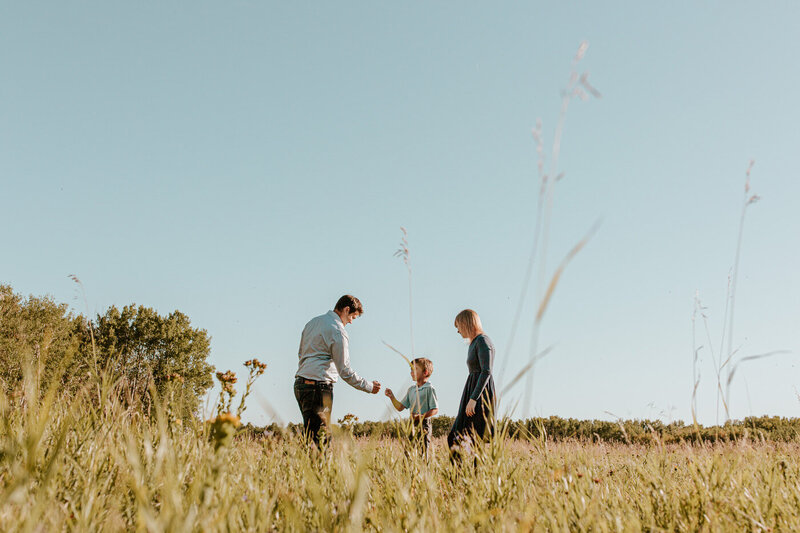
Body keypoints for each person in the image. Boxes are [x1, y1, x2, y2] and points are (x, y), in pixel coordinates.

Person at [294, 295, 381, 446]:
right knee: (321, 439)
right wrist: (369, 386)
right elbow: (345, 371)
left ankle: (306, 468)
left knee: (311, 436)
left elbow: (301, 354)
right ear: (346, 310)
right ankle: (318, 470)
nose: (351, 321)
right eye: (353, 316)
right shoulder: (338, 331)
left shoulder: (312, 323)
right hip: (318, 387)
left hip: (300, 384)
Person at [448, 309, 495, 461]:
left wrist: (474, 398)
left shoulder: (483, 341)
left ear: (467, 323)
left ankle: (472, 478)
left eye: (458, 326)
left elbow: (486, 371)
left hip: (479, 394)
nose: (457, 331)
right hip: (471, 390)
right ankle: (458, 477)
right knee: (456, 437)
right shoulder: (473, 343)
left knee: (475, 439)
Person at [385, 357, 439, 458]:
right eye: (411, 369)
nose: (411, 372)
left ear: (425, 372)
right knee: (408, 451)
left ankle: (424, 470)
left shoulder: (429, 389)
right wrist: (392, 396)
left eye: (414, 369)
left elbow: (435, 409)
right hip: (412, 424)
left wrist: (421, 416)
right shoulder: (411, 390)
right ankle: (407, 471)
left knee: (422, 452)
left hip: (424, 424)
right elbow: (400, 407)